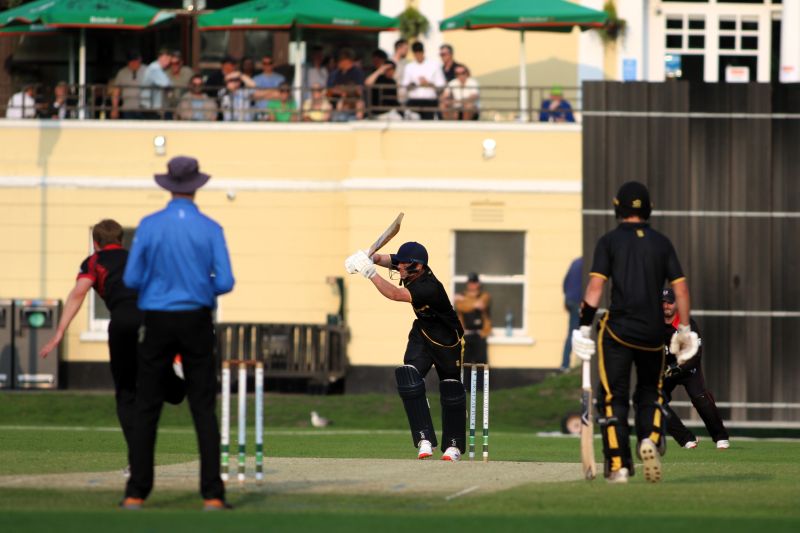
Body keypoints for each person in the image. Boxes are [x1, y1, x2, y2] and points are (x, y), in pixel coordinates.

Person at [121, 156, 235, 511]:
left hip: (157, 317)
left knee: (147, 406)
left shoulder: (149, 225)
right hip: (196, 318)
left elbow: (131, 278)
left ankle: (136, 492)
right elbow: (226, 281)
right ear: (196, 186)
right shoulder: (210, 228)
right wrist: (198, 288)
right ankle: (212, 495)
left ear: (168, 185)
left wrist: (159, 285)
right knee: (203, 407)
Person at [571, 181, 698, 484]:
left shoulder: (609, 241)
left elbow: (595, 288)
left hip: (618, 332)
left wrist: (583, 326)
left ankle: (619, 465)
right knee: (650, 392)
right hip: (653, 333)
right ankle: (649, 439)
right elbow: (681, 289)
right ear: (648, 209)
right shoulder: (662, 243)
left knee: (613, 397)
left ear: (617, 207)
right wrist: (684, 329)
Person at [38, 219, 185, 476]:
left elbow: (78, 293)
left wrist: (59, 332)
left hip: (122, 325)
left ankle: (137, 462)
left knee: (126, 394)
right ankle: (177, 377)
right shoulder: (139, 257)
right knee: (171, 392)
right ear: (122, 240)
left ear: (95, 243)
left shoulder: (94, 261)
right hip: (152, 320)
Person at [345, 242, 466, 461]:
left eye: (403, 263)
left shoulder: (429, 287)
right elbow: (384, 259)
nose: (398, 266)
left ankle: (453, 446)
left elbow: (394, 294)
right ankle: (424, 439)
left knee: (451, 389)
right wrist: (368, 256)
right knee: (408, 376)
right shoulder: (410, 267)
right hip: (423, 332)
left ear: (417, 266)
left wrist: (369, 272)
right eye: (399, 262)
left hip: (447, 340)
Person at [660, 288, 730, 450]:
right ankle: (686, 439)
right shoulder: (654, 325)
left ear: (676, 304)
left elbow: (695, 355)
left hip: (687, 369)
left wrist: (677, 368)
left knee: (701, 399)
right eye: (662, 303)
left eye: (669, 302)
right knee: (653, 401)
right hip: (665, 371)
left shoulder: (687, 325)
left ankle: (720, 437)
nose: (666, 306)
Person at [455, 272, 491, 378]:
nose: (472, 285)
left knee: (481, 363)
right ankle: (466, 386)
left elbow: (481, 304)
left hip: (480, 334)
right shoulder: (461, 296)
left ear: (478, 284)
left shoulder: (484, 295)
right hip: (466, 334)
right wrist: (472, 303)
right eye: (470, 282)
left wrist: (464, 300)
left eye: (474, 282)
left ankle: (481, 386)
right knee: (465, 364)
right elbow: (461, 307)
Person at [401, 42, 445, 120]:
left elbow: (441, 85)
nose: (418, 55)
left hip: (430, 101)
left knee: (428, 123)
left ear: (423, 52)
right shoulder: (409, 67)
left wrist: (428, 84)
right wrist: (414, 85)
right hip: (414, 101)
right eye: (416, 53)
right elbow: (404, 86)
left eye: (420, 52)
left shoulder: (434, 65)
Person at [560, 257, 583, 371]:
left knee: (572, 332)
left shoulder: (576, 262)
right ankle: (566, 365)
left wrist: (567, 298)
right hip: (578, 301)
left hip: (570, 300)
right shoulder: (588, 263)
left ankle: (566, 365)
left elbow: (565, 282)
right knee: (576, 333)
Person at [139, 49, 173, 119]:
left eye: (169, 60)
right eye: (165, 59)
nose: (167, 62)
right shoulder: (155, 68)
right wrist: (170, 87)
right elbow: (165, 84)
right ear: (159, 58)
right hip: (149, 107)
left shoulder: (159, 68)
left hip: (153, 106)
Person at [110, 50, 143, 119]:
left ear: (140, 60)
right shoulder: (122, 73)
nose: (134, 63)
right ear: (128, 62)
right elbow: (116, 91)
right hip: (127, 109)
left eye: (136, 61)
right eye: (131, 61)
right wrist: (114, 109)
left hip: (145, 109)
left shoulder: (147, 70)